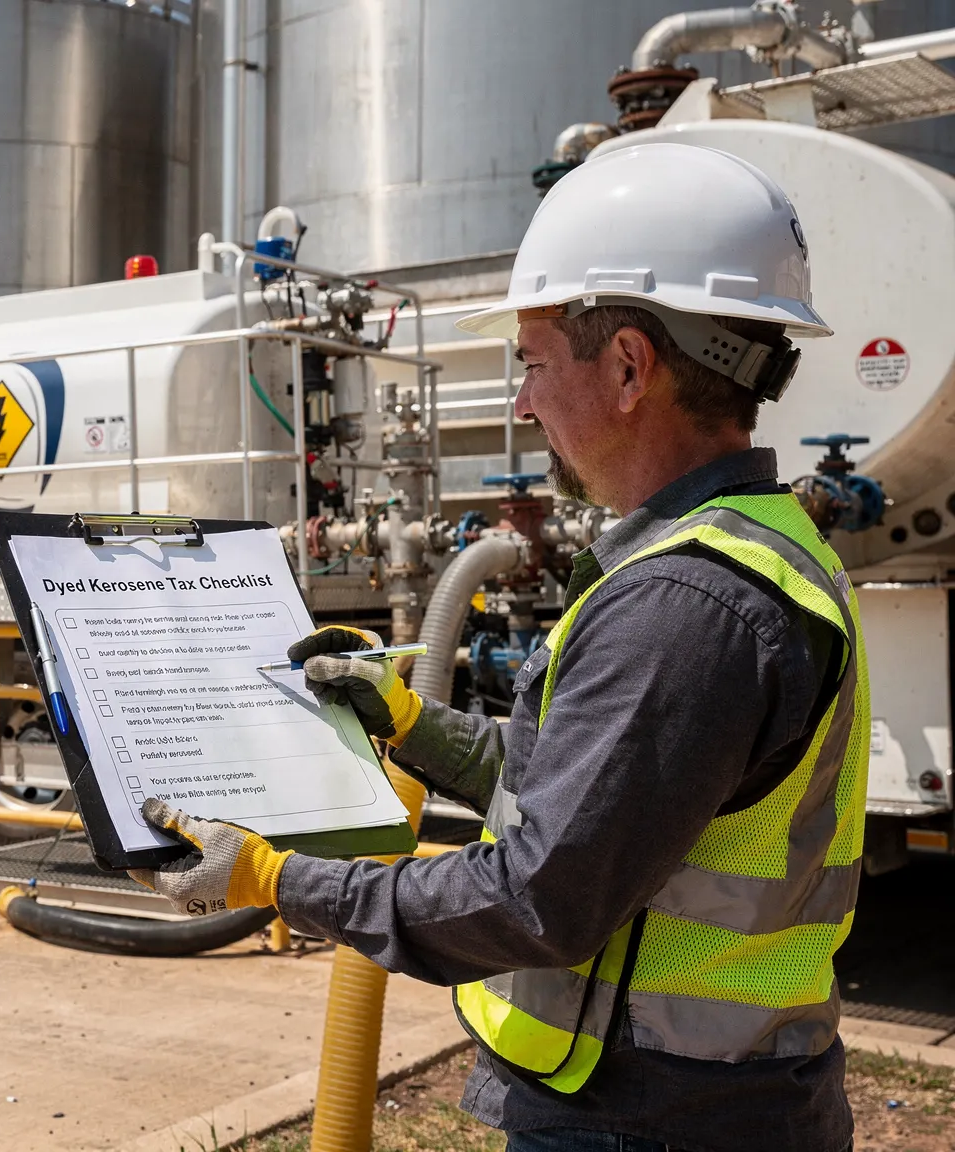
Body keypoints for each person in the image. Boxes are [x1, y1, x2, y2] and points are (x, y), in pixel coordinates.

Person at [132, 142, 866, 1152]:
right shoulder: (750, 551)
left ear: (625, 368)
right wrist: (417, 729)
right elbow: (584, 797)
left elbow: (534, 897)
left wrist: (276, 878)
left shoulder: (685, 604)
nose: (519, 403)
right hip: (703, 1097)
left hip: (655, 1117)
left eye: (528, 363)